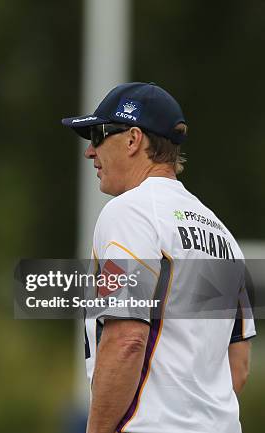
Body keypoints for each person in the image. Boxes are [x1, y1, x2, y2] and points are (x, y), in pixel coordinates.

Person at [62, 82, 256, 433]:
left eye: (98, 135)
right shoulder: (221, 233)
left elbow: (127, 340)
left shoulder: (129, 212)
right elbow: (238, 366)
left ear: (134, 139)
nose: (90, 152)